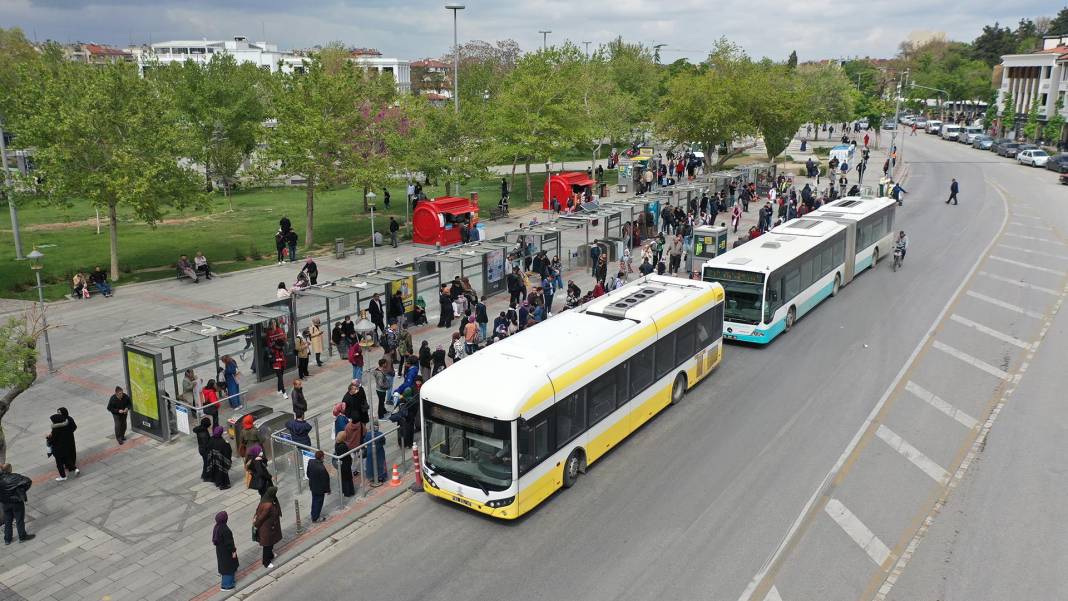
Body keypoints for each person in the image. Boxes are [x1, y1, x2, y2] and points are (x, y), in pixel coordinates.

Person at [0, 463, 34, 545]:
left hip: (5, 503)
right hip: (16, 502)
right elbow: (28, 481)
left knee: (8, 521)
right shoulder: (15, 477)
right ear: (10, 469)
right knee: (19, 519)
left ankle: (7, 539)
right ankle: (22, 537)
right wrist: (22, 490)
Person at [253, 487, 282, 569]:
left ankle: (271, 555)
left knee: (270, 543)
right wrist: (256, 525)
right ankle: (266, 562)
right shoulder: (268, 506)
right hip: (267, 529)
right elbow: (261, 518)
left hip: (270, 527)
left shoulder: (267, 499)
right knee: (267, 545)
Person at [47, 408, 78, 481]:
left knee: (65, 456)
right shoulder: (61, 422)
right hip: (66, 441)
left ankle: (64, 474)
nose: (59, 414)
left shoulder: (60, 424)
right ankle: (73, 467)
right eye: (58, 413)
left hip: (64, 442)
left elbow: (74, 427)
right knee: (66, 455)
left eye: (60, 412)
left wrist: (48, 439)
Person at [213, 511, 238, 590]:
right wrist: (233, 551)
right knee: (229, 567)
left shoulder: (217, 527)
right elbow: (229, 543)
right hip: (226, 552)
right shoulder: (225, 530)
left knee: (224, 566)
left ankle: (229, 582)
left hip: (220, 550)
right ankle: (226, 585)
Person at [306, 450, 331, 523]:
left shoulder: (310, 462)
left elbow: (308, 474)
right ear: (322, 457)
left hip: (313, 486)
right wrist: (328, 490)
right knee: (319, 503)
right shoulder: (322, 469)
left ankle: (313, 514)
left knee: (314, 501)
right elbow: (325, 481)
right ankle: (316, 517)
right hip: (320, 489)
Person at [334, 432, 356, 497]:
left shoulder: (337, 444)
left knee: (344, 479)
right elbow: (347, 455)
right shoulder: (343, 446)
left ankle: (346, 492)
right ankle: (349, 492)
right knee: (347, 478)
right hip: (345, 464)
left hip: (342, 464)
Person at [193, 416, 212, 481]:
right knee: (207, 463)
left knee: (206, 462)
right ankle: (205, 476)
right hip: (204, 450)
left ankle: (205, 475)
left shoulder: (200, 429)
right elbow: (206, 443)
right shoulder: (204, 433)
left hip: (201, 449)